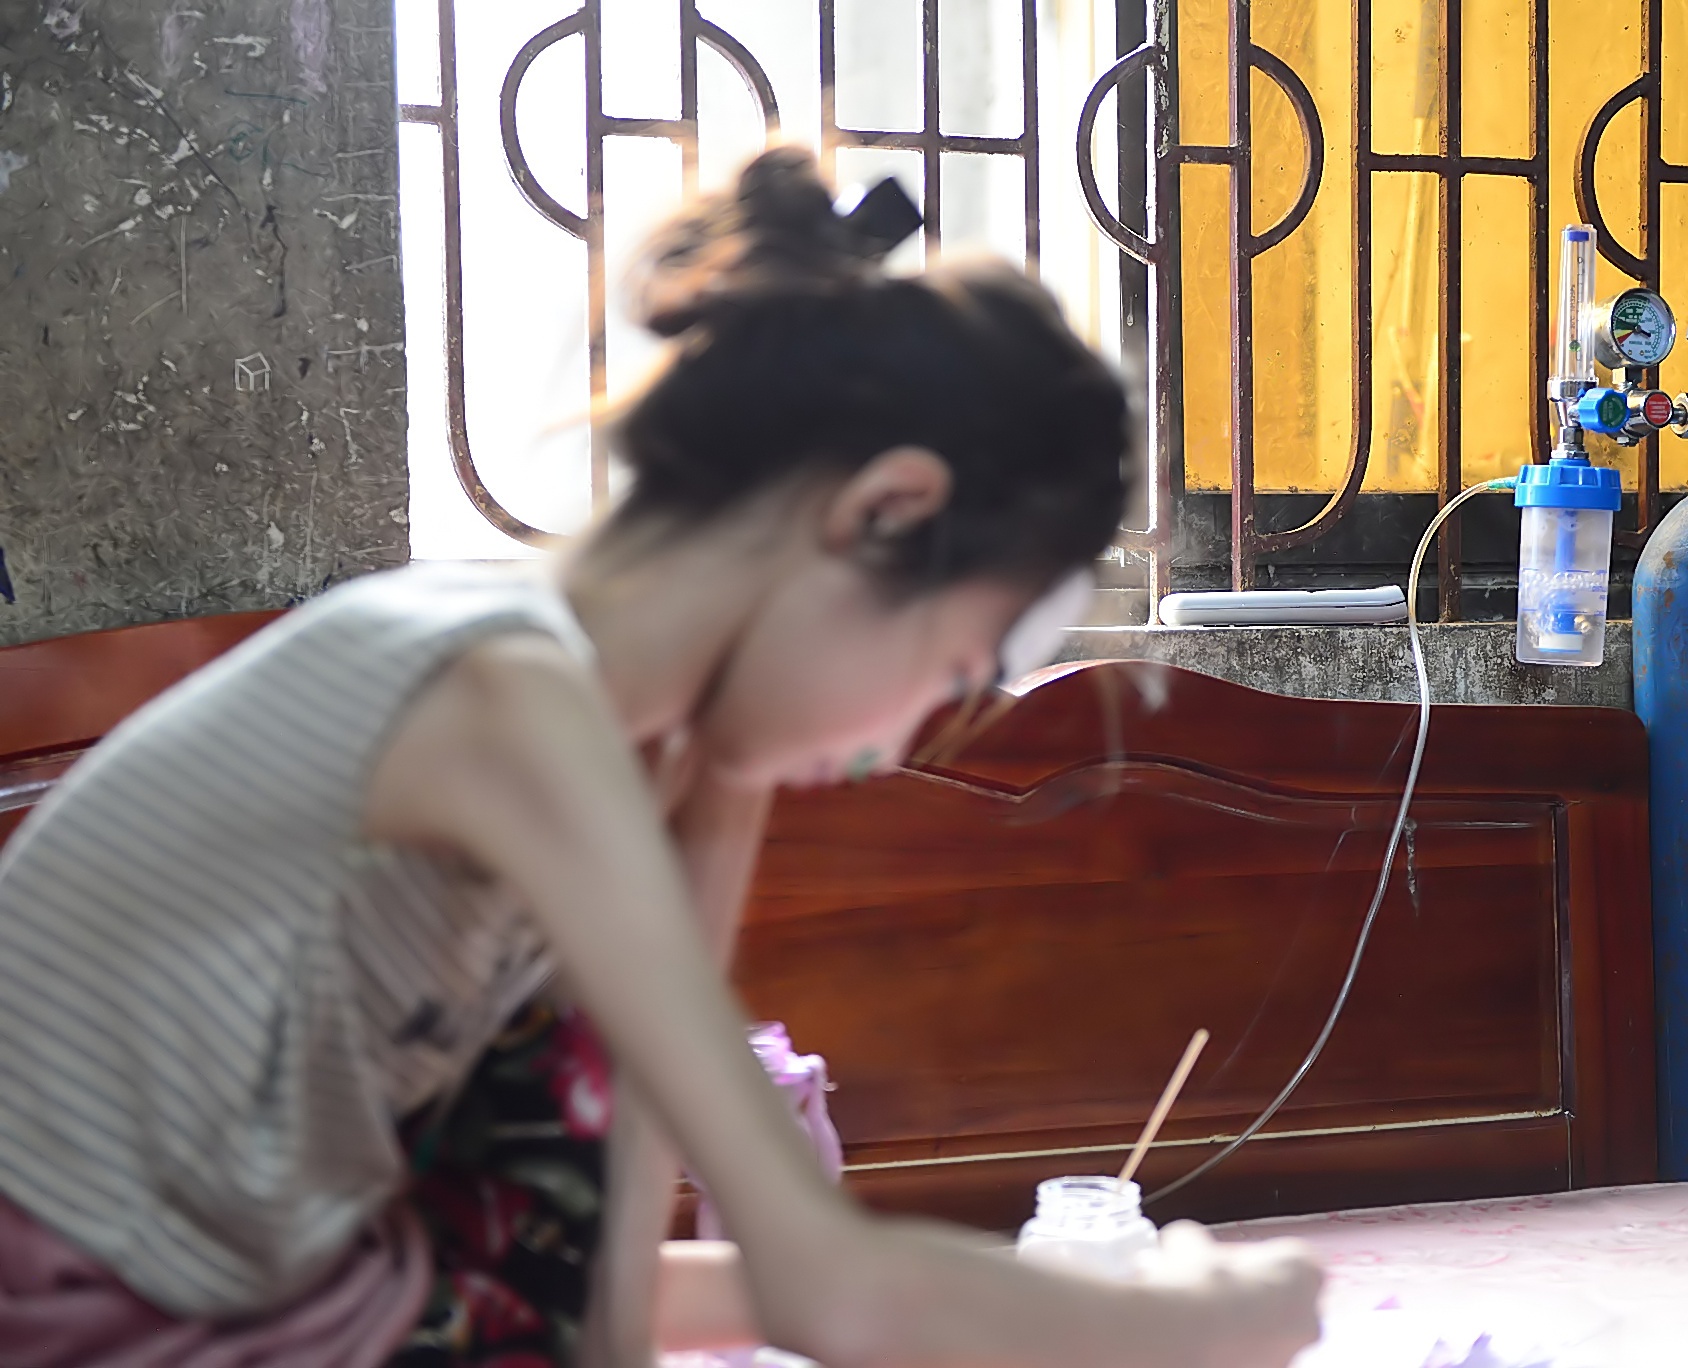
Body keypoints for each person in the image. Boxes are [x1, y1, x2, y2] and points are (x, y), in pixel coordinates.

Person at [0, 147, 1322, 1368]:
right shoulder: (499, 697)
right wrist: (1198, 1326)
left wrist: (724, 796)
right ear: (886, 510)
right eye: (958, 667)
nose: (897, 739)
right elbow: (827, 1292)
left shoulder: (642, 743)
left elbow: (604, 1303)